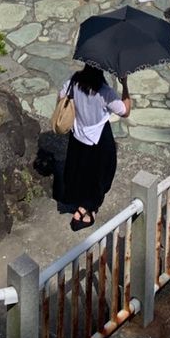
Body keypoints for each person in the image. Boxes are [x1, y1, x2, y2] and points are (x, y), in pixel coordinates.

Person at [59, 63, 132, 228]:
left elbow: (61, 96)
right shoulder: (105, 92)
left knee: (78, 171)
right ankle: (86, 209)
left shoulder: (74, 81)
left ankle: (78, 201)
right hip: (98, 139)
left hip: (77, 135)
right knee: (98, 175)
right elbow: (125, 111)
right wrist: (125, 85)